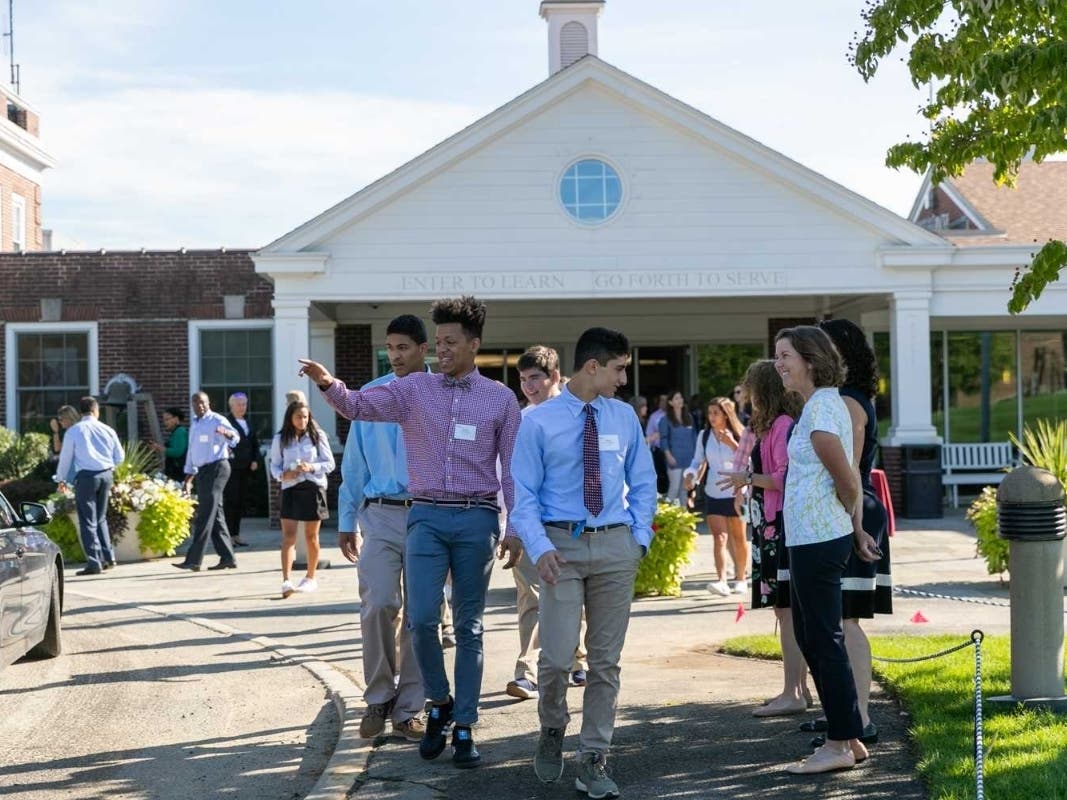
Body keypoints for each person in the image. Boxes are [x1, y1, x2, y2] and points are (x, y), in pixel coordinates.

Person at [299, 295, 522, 770]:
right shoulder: (415, 390)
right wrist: (326, 382)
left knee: (469, 627)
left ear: (473, 344)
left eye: (450, 342)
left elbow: (512, 470)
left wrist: (516, 525)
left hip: (477, 519)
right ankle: (436, 702)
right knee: (420, 620)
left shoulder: (501, 399)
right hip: (424, 517)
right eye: (438, 341)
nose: (443, 349)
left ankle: (463, 724)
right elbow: (356, 406)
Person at [510, 327, 656, 799]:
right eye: (619, 369)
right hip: (560, 550)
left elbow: (644, 480)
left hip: (615, 548)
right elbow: (523, 495)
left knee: (605, 663)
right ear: (593, 367)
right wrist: (539, 547)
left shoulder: (623, 416)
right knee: (555, 659)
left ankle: (593, 758)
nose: (623, 379)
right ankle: (553, 726)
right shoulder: (538, 422)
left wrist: (639, 540)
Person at [774, 325, 880, 774]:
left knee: (822, 638)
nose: (778, 363)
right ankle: (849, 736)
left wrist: (851, 524)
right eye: (777, 355)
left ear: (811, 361)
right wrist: (852, 527)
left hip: (819, 538)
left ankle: (838, 745)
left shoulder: (821, 409)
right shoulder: (819, 405)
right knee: (812, 635)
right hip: (810, 537)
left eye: (785, 356)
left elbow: (847, 478)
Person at [337, 314, 429, 742]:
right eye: (390, 348)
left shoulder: (441, 396)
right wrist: (346, 520)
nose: (395, 355)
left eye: (403, 347)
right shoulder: (369, 397)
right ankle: (378, 696)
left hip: (429, 515)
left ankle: (410, 708)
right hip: (379, 515)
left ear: (423, 349)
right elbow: (354, 465)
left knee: (422, 615)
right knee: (378, 602)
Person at [802, 318, 892, 748]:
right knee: (836, 619)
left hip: (855, 512)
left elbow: (850, 471)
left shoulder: (851, 401)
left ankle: (861, 718)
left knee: (847, 620)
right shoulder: (838, 399)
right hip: (844, 511)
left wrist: (855, 527)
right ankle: (842, 712)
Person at [717, 360, 808, 717]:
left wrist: (747, 478)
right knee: (785, 611)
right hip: (769, 525)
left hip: (779, 527)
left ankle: (793, 692)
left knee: (786, 611)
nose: (748, 397)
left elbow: (784, 478)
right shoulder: (770, 426)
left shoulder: (783, 425)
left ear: (765, 391)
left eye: (752, 390)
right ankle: (797, 690)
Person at [506, 345, 589, 702]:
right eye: (523, 379)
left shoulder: (581, 415)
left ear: (554, 376)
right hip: (529, 524)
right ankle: (526, 672)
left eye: (535, 378)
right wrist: (510, 526)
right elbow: (508, 477)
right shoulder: (520, 421)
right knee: (532, 596)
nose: (528, 386)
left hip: (572, 524)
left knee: (572, 595)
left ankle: (578, 657)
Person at [269, 400, 334, 597]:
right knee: (288, 536)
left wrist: (311, 467)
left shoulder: (317, 436)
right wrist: (283, 475)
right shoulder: (281, 438)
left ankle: (310, 577)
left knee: (311, 535)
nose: (302, 420)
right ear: (290, 417)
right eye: (298, 417)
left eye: (305, 417)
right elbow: (274, 465)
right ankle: (286, 581)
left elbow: (329, 463)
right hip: (291, 488)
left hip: (313, 487)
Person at [684, 397, 748, 596]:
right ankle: (721, 581)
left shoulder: (740, 433)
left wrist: (732, 444)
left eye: (716, 413)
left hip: (736, 492)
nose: (711, 417)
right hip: (713, 491)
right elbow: (697, 461)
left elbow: (749, 462)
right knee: (719, 537)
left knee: (739, 538)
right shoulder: (704, 436)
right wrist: (690, 475)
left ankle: (741, 579)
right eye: (709, 413)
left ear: (726, 415)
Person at [56, 397, 124, 576]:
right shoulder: (108, 429)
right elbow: (120, 456)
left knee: (88, 521)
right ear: (96, 410)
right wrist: (109, 467)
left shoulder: (74, 431)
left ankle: (94, 562)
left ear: (81, 411)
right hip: (106, 475)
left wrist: (61, 479)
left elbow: (66, 458)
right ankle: (109, 557)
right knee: (101, 518)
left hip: (86, 477)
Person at [173, 392, 240, 572]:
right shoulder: (195, 424)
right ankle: (228, 558)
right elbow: (192, 452)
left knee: (204, 514)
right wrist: (188, 477)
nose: (200, 406)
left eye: (203, 402)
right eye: (196, 403)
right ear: (192, 405)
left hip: (217, 468)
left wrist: (227, 433)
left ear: (209, 403)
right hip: (203, 471)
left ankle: (193, 560)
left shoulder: (217, 420)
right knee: (215, 515)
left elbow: (235, 438)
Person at [224, 392, 261, 547]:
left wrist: (255, 460)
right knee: (231, 501)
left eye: (244, 404)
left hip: (246, 468)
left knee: (240, 502)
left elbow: (255, 443)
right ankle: (228, 536)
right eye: (239, 404)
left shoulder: (248, 422)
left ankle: (236, 534)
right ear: (231, 406)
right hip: (231, 468)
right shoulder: (226, 422)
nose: (242, 407)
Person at [658, 389, 697, 507]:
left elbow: (694, 437)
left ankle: (683, 516)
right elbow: (663, 440)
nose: (680, 400)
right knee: (674, 488)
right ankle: (665, 514)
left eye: (680, 397)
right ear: (670, 403)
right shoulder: (665, 420)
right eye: (676, 398)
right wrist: (668, 456)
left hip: (688, 459)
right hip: (674, 459)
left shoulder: (689, 417)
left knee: (684, 490)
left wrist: (696, 458)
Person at [150, 406, 189, 482]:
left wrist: (159, 448)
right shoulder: (175, 432)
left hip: (179, 473)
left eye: (167, 419)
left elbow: (177, 452)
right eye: (164, 420)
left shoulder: (180, 432)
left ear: (176, 419)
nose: (165, 423)